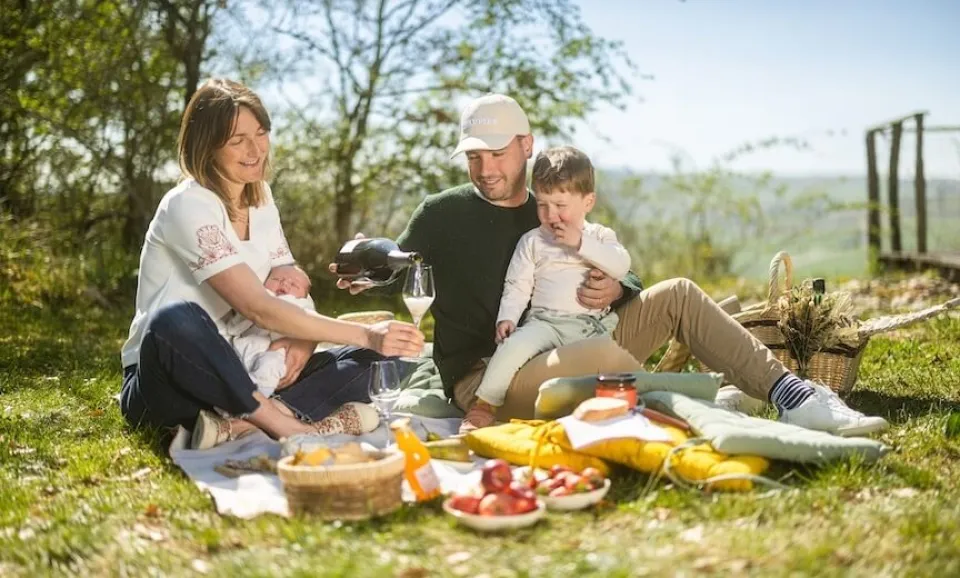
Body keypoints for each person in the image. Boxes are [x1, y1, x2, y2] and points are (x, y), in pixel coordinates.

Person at [335, 93, 888, 437]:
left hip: (582, 334)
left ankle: (796, 396)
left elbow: (624, 272)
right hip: (491, 377)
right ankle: (702, 391)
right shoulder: (441, 213)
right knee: (600, 359)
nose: (485, 169)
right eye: (474, 157)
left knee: (677, 292)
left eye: (496, 153)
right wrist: (363, 271)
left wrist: (613, 287)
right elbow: (398, 273)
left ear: (526, 145)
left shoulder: (553, 204)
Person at [119, 78, 423, 451]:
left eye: (261, 134)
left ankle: (240, 424)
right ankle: (284, 423)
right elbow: (258, 307)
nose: (255, 149)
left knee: (391, 357)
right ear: (206, 146)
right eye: (237, 140)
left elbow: (291, 288)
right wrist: (366, 333)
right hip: (174, 380)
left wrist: (304, 341)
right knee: (174, 320)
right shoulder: (187, 204)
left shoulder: (261, 199)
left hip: (253, 368)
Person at [458, 145, 631, 433]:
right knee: (512, 347)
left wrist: (581, 243)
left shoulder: (599, 236)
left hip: (588, 326)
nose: (551, 215)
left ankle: (613, 408)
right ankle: (484, 404)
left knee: (605, 361)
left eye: (560, 206)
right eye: (542, 205)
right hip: (544, 323)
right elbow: (517, 285)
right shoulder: (533, 241)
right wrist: (508, 317)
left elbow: (621, 265)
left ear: (588, 202)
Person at [223, 264, 314, 399]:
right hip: (245, 346)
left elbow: (308, 323)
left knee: (269, 368)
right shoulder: (258, 297)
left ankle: (252, 398)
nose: (285, 283)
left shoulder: (301, 305)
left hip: (274, 351)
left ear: (305, 297)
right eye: (277, 279)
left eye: (294, 285)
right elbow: (237, 323)